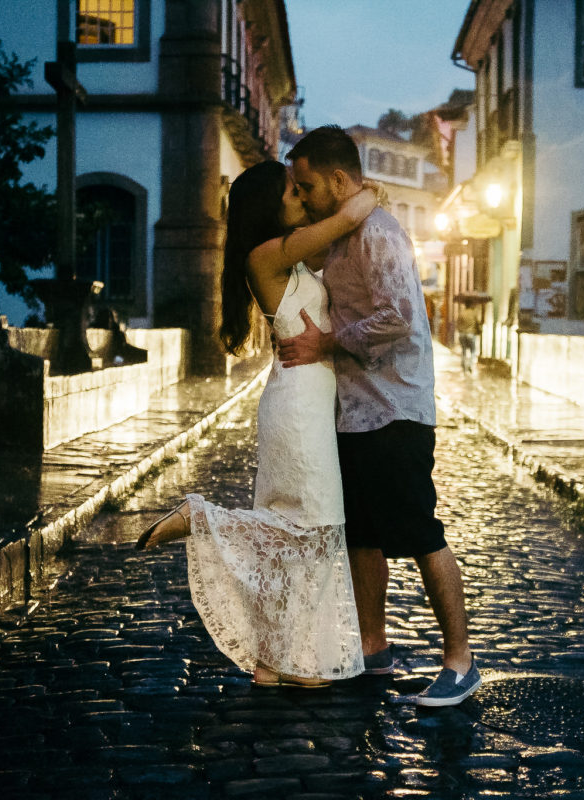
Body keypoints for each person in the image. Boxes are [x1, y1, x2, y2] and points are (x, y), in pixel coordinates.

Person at [135, 160, 379, 689]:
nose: (301, 196)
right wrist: (363, 189)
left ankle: (274, 662)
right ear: (271, 205)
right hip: (297, 406)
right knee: (313, 526)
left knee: (291, 537)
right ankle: (201, 518)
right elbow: (350, 215)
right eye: (294, 191)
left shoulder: (292, 259)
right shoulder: (267, 255)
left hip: (308, 400)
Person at [279, 126, 481, 707]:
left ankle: (460, 663)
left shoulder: (380, 234)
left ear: (340, 180)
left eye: (309, 184)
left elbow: (399, 318)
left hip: (396, 411)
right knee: (363, 537)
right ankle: (374, 651)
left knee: (420, 533)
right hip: (355, 413)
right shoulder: (341, 235)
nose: (304, 193)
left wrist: (328, 342)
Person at [456, 301, 481, 373]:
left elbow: (458, 324)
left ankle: (463, 365)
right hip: (471, 334)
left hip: (462, 334)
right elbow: (477, 323)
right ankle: (470, 364)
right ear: (471, 305)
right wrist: (479, 331)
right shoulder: (474, 313)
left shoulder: (461, 313)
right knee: (473, 351)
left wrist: (461, 330)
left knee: (463, 350)